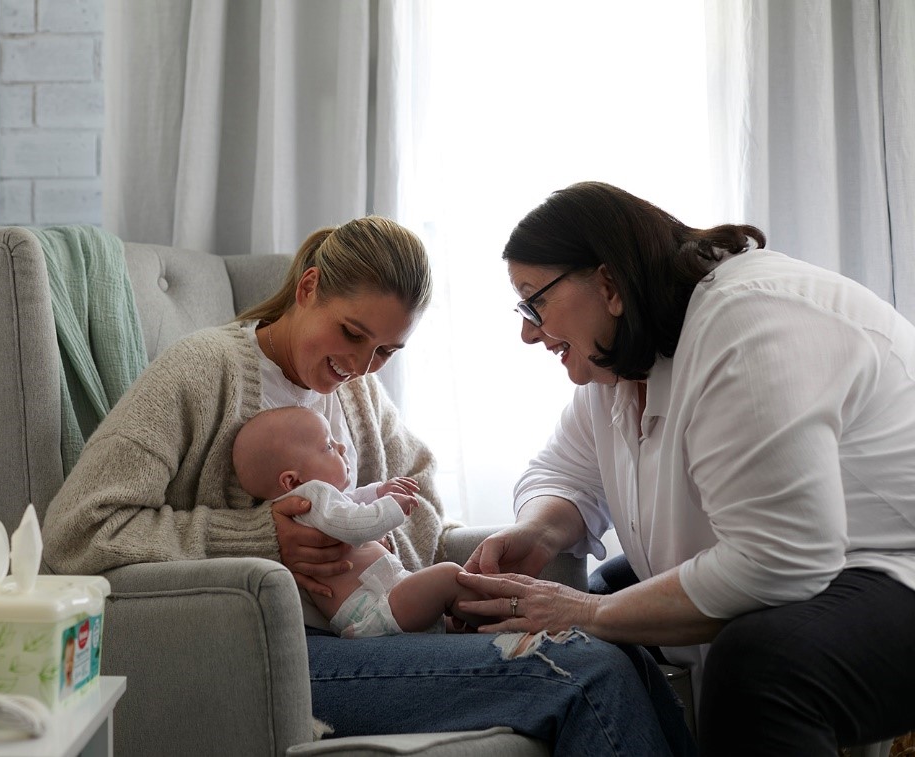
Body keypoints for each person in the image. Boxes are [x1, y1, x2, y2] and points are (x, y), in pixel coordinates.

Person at [42, 215, 694, 754]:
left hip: (383, 629)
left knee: (611, 650)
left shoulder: (357, 394)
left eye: (384, 352)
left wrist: (416, 585)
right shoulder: (202, 369)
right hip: (277, 653)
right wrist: (263, 535)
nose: (358, 365)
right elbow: (78, 530)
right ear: (309, 287)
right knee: (582, 674)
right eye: (352, 333)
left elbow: (419, 487)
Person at [455, 181, 915, 756]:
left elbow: (781, 560)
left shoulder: (746, 326)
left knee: (759, 666)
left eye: (534, 301)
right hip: (816, 567)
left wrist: (592, 612)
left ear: (609, 284)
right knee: (600, 608)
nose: (526, 331)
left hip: (889, 567)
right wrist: (537, 531)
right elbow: (564, 474)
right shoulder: (619, 368)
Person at [232, 405, 489, 637]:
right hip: (372, 606)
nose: (341, 447)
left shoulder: (312, 507)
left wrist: (378, 491)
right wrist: (389, 507)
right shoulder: (311, 496)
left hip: (376, 602)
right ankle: (503, 619)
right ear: (292, 481)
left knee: (447, 607)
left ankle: (476, 621)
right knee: (450, 576)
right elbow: (353, 525)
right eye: (329, 446)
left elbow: (349, 502)